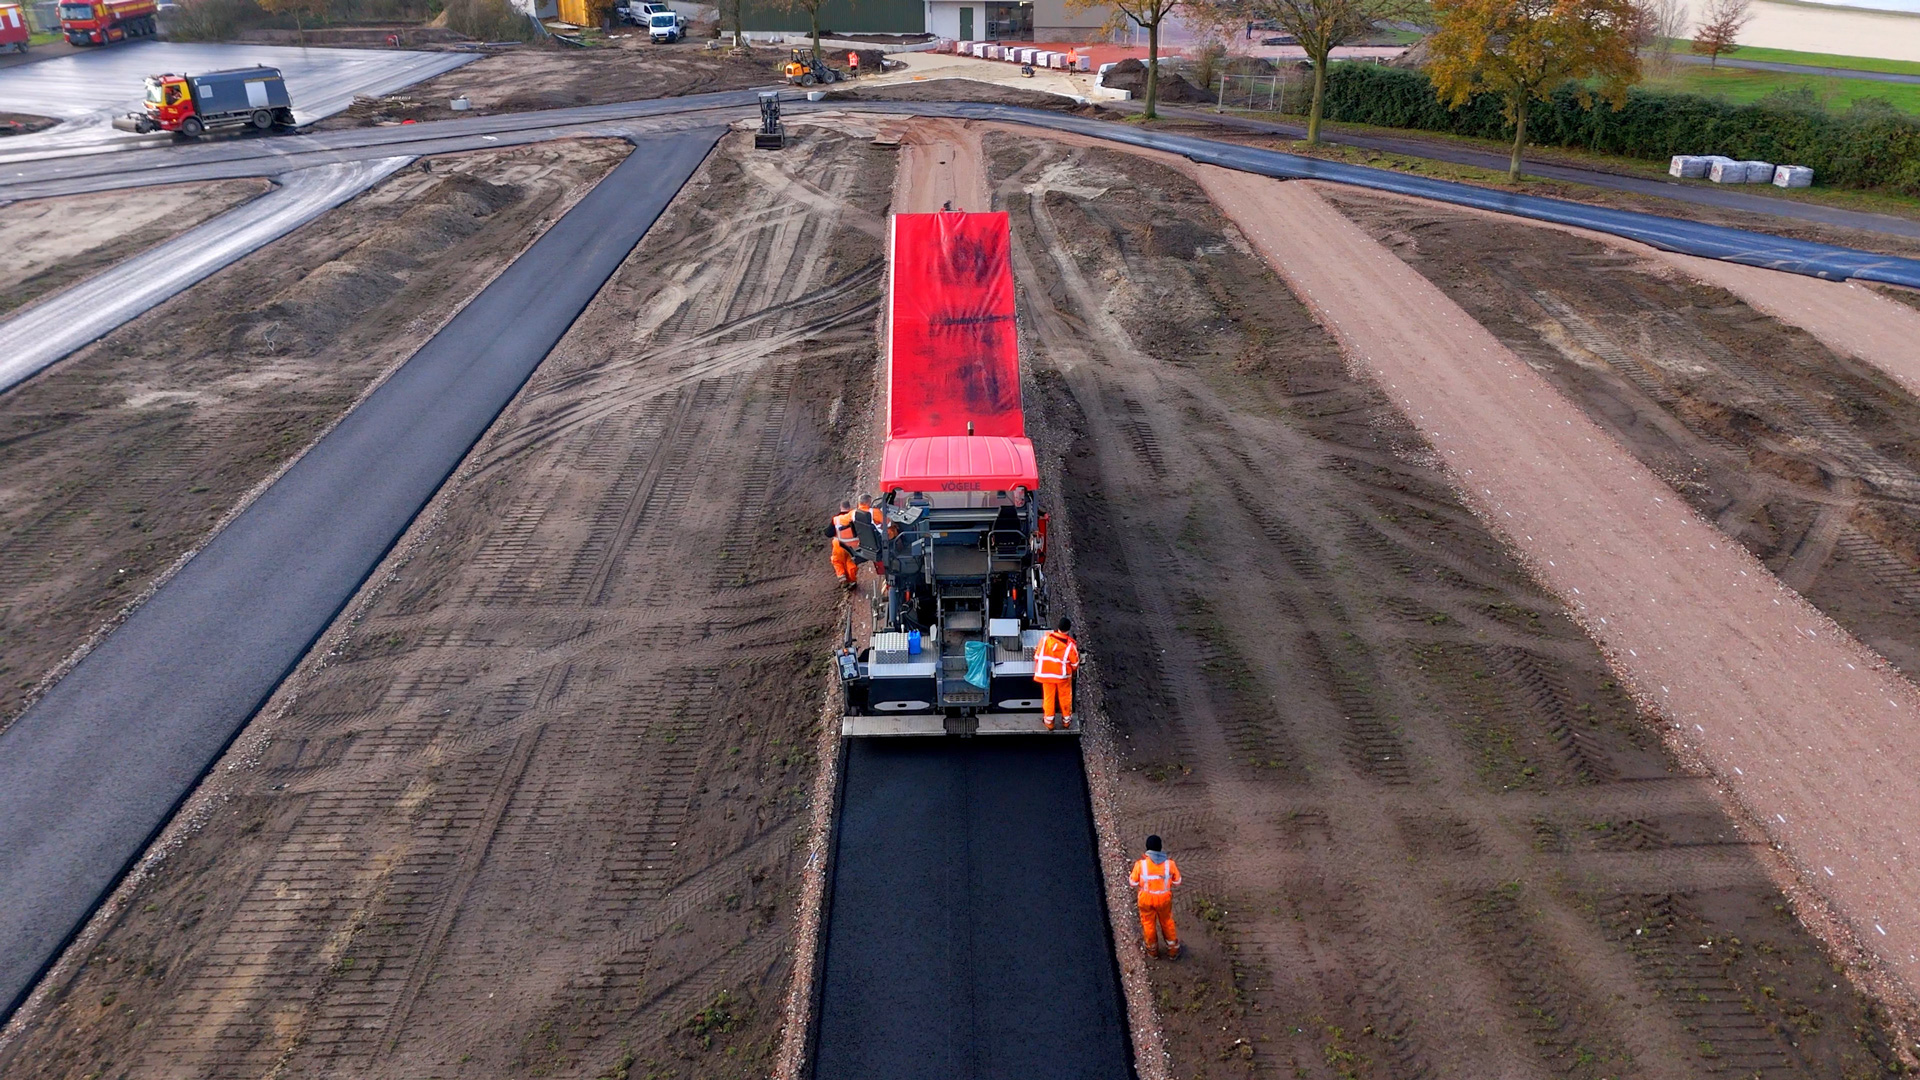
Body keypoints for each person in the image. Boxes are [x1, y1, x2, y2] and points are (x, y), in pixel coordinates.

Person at [1130, 835, 1182, 958]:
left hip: (1146, 899)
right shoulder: (1170, 864)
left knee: (1148, 923)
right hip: (1164, 899)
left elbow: (1133, 882)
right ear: (1160, 848)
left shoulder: (1140, 865)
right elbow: (1178, 881)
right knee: (1167, 922)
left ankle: (1152, 951)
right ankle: (1173, 950)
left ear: (1147, 849)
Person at [1034, 615, 1080, 731]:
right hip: (1062, 677)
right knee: (1065, 698)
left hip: (1045, 675)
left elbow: (1037, 656)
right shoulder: (1070, 645)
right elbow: (1075, 664)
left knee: (1048, 698)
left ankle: (1049, 723)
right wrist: (1072, 671)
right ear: (1068, 629)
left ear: (1058, 627)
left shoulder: (1045, 640)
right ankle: (1066, 722)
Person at [827, 500, 859, 587]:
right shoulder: (854, 517)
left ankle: (842, 578)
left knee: (837, 561)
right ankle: (852, 580)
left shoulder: (836, 519)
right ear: (849, 507)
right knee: (850, 561)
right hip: (853, 544)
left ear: (841, 507)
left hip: (839, 544)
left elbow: (828, 533)